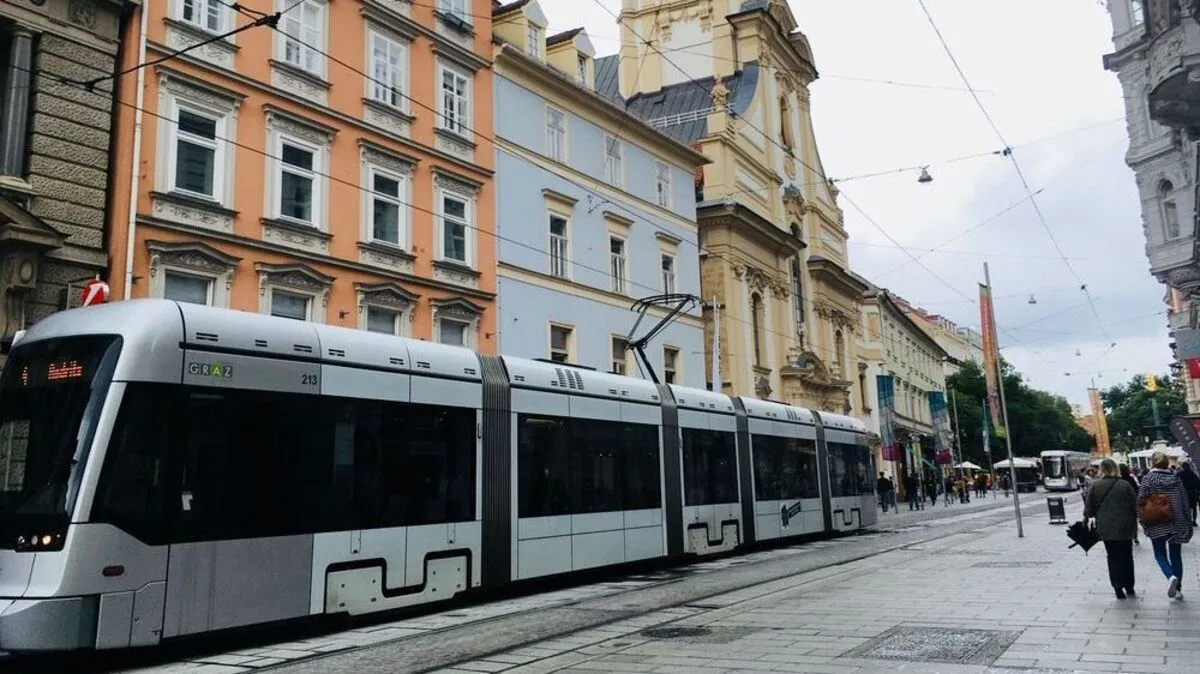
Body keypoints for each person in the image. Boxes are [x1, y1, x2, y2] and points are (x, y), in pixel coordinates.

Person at [1138, 451, 1194, 600]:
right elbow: (1184, 499)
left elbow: (1141, 501)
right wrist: (1188, 521)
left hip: (1157, 521)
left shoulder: (1148, 479)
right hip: (1178, 521)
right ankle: (1178, 590)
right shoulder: (1176, 478)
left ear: (1152, 463)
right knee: (1176, 554)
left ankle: (1170, 576)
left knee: (1160, 553)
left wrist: (1142, 521)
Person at [1085, 459, 1139, 599]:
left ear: (1101, 469)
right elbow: (1135, 506)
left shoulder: (1095, 486)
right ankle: (1129, 586)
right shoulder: (1125, 485)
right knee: (1127, 556)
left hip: (1106, 528)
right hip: (1125, 527)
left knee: (1113, 556)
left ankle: (1117, 587)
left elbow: (1089, 510)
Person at [1119, 463, 1141, 545]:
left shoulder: (1117, 481)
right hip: (1131, 504)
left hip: (1121, 505)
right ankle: (1135, 536)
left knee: (1124, 522)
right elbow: (1136, 490)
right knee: (1133, 521)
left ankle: (1127, 537)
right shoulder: (1131, 479)